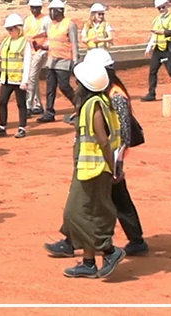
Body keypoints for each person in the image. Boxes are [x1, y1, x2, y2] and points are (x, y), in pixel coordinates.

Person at [46, 49, 149, 258]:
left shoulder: (114, 94)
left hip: (109, 158)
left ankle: (131, 241)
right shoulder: (102, 93)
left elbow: (124, 132)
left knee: (106, 200)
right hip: (103, 157)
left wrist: (116, 164)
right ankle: (73, 241)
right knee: (98, 200)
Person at [52, 60, 126, 279]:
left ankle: (110, 251)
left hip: (94, 170)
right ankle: (88, 262)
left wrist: (112, 168)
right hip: (92, 169)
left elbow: (102, 140)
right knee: (91, 214)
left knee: (75, 214)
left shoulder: (92, 105)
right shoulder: (100, 101)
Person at [37, 0, 79, 123]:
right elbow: (52, 42)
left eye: (52, 10)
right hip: (51, 60)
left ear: (59, 11)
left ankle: (79, 103)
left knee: (64, 86)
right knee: (50, 88)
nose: (50, 13)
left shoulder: (70, 25)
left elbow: (74, 44)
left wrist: (75, 62)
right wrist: (42, 47)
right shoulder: (51, 24)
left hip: (64, 60)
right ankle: (49, 113)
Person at [0, 14, 32, 139]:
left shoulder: (24, 43)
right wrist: (2, 79)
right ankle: (2, 127)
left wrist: (25, 80)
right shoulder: (6, 42)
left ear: (18, 28)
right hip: (7, 78)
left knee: (21, 104)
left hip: (19, 79)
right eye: (7, 29)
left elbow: (27, 62)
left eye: (11, 29)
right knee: (2, 102)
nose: (9, 32)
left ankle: (22, 128)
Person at [140, 0, 171, 102]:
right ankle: (151, 93)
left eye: (163, 7)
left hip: (168, 49)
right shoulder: (157, 20)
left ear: (167, 5)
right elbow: (154, 35)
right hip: (158, 49)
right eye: (159, 8)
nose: (161, 9)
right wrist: (149, 47)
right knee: (152, 71)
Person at [24, 0, 50, 116]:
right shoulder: (28, 20)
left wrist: (43, 49)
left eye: (37, 8)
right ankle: (38, 104)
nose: (35, 10)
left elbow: (50, 36)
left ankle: (28, 105)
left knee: (31, 77)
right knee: (34, 78)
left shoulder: (46, 20)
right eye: (33, 7)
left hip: (41, 51)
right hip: (30, 51)